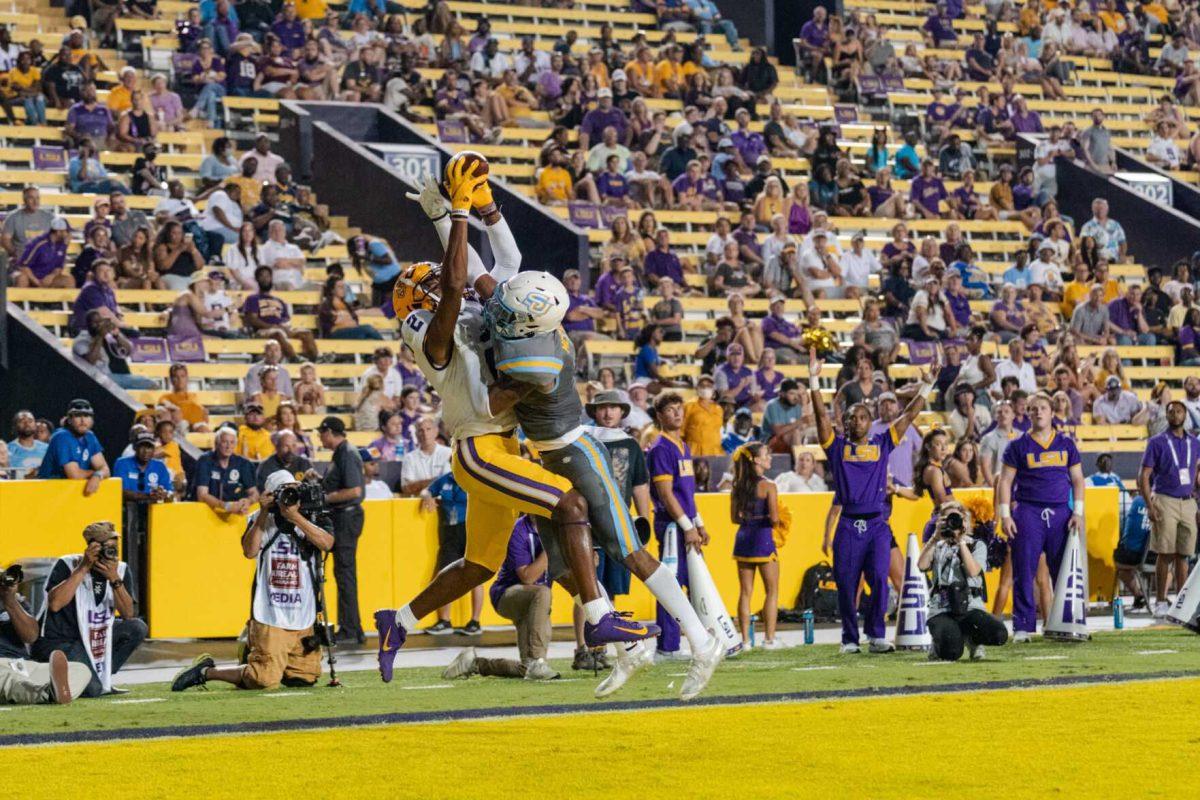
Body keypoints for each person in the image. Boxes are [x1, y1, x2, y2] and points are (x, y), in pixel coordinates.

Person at [375, 164, 645, 690]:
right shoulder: (434, 339)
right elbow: (455, 281)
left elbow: (502, 265)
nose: (441, 283)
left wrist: (464, 210)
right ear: (419, 304)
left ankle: (398, 621)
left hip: (500, 445)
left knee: (479, 563)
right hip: (480, 452)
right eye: (429, 286)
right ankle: (599, 617)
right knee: (569, 503)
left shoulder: (459, 314)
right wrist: (455, 213)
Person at [814, 349, 936, 653]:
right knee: (846, 583)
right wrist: (815, 381)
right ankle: (849, 639)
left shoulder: (883, 443)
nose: (857, 421)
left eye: (863, 416)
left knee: (880, 579)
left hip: (877, 526)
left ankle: (877, 635)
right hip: (847, 525)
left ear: (871, 422)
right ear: (843, 421)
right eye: (852, 417)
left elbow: (909, 416)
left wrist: (928, 386)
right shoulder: (836, 447)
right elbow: (819, 416)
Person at [172, 471, 335, 693]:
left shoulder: (311, 515)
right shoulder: (259, 518)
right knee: (264, 679)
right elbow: (249, 551)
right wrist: (264, 512)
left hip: (304, 611)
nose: (288, 496)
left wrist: (295, 517)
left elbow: (327, 543)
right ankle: (207, 671)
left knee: (304, 678)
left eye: (292, 490)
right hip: (271, 611)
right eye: (282, 492)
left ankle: (255, 654)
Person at [996, 392, 1087, 642]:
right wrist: (1005, 515)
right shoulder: (1017, 446)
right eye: (1034, 408)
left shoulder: (1066, 444)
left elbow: (1078, 480)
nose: (1038, 412)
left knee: (1063, 570)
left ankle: (1067, 622)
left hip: (1060, 512)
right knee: (1024, 570)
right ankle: (1023, 627)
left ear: (1051, 412)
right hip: (1028, 511)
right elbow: (1005, 481)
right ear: (1028, 413)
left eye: (1043, 408)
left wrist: (1077, 511)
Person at [32, 521, 147, 697]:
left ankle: (100, 677)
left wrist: (114, 579)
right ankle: (62, 677)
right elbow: (55, 604)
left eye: (114, 547)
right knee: (93, 691)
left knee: (137, 627)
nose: (111, 552)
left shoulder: (120, 569)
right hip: (60, 641)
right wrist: (83, 567)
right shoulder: (68, 564)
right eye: (105, 547)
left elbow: (128, 614)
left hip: (94, 640)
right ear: (91, 547)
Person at [441, 516, 560, 682]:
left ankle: (473, 664)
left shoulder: (555, 528)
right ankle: (538, 661)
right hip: (509, 594)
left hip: (536, 603)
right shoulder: (518, 530)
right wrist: (550, 551)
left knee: (527, 669)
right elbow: (527, 577)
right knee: (543, 593)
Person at [918, 501, 1009, 660]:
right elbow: (922, 565)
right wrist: (934, 537)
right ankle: (940, 642)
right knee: (951, 652)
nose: (953, 524)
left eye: (958, 519)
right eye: (948, 519)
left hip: (971, 605)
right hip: (941, 608)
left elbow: (973, 571)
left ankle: (973, 639)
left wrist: (960, 541)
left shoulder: (976, 545)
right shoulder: (937, 545)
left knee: (999, 634)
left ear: (966, 523)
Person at [1137, 401, 1199, 619]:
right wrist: (1150, 505)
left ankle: (1182, 602)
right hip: (1165, 499)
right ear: (1166, 415)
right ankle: (1161, 601)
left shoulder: (1194, 442)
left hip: (1188, 501)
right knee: (1165, 554)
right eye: (1171, 411)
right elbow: (1143, 477)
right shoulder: (1157, 442)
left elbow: (1197, 475)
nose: (1175, 414)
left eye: (1179, 410)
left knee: (1184, 555)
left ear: (1185, 415)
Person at [315, 417, 365, 645]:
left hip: (346, 518)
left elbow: (354, 490)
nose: (319, 437)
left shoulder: (346, 453)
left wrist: (326, 498)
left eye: (321, 433)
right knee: (343, 574)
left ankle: (351, 629)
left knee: (345, 574)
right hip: (341, 518)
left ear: (330, 432)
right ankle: (352, 627)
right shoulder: (341, 453)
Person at [729, 443, 781, 649]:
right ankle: (769, 639)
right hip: (763, 539)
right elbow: (775, 519)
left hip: (743, 539)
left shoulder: (737, 485)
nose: (770, 458)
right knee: (772, 590)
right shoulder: (768, 486)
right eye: (766, 454)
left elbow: (734, 518)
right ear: (757, 460)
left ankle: (746, 641)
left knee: (745, 592)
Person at [37, 400, 110, 494]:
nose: (83, 420)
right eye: (78, 415)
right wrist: (95, 473)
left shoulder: (90, 436)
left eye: (87, 416)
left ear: (92, 420)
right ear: (70, 419)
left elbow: (105, 468)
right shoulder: (62, 436)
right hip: (48, 492)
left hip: (68, 493)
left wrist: (98, 475)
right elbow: (74, 474)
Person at [192, 426, 258, 516]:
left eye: (232, 442)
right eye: (224, 442)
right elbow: (202, 495)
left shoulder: (242, 463)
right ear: (216, 443)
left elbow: (254, 493)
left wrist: (249, 501)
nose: (228, 446)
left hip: (235, 515)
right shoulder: (205, 461)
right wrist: (225, 506)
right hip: (208, 514)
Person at [7, 410, 48, 475]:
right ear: (15, 426)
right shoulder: (7, 450)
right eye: (22, 421)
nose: (27, 424)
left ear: (35, 425)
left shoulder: (47, 448)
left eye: (30, 421)